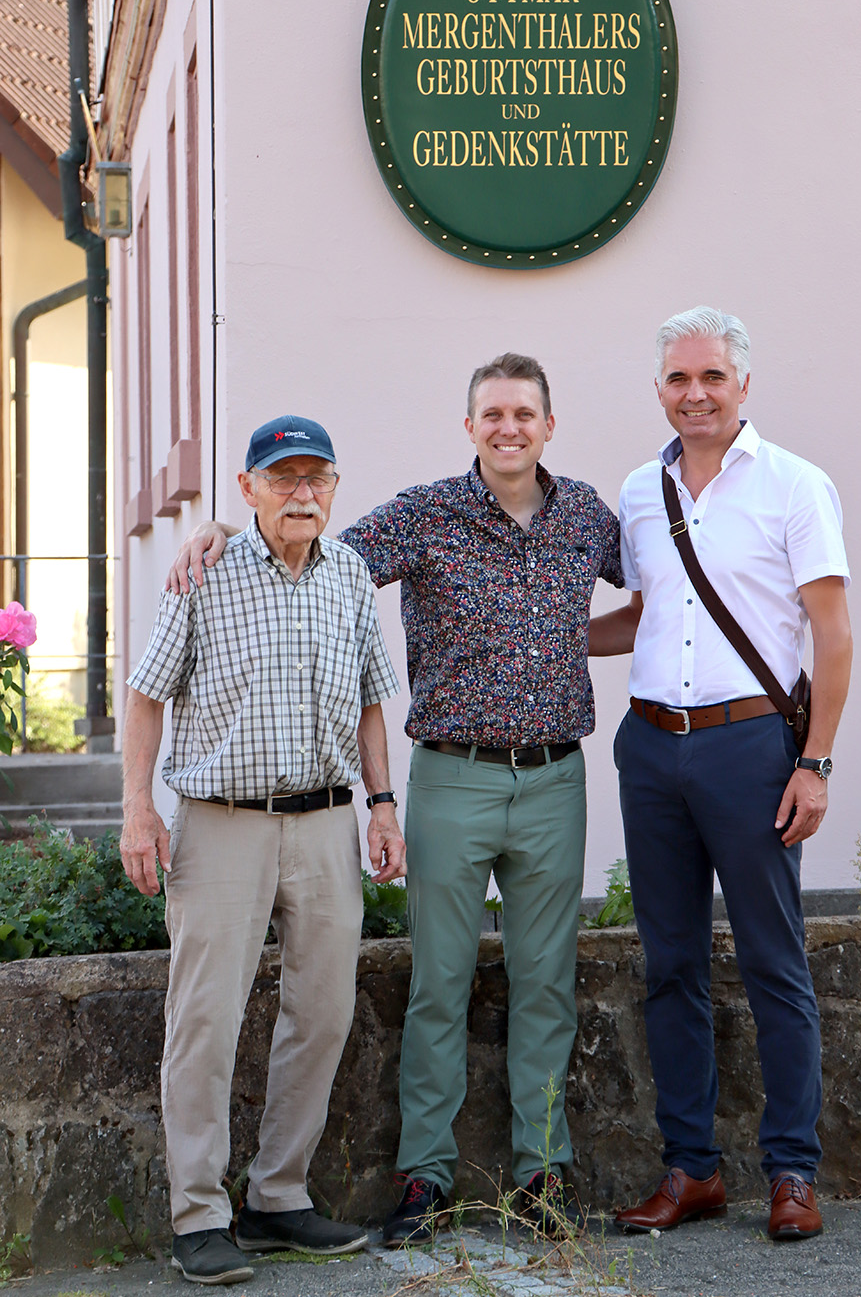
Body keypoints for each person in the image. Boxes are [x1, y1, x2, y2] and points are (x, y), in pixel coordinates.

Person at [168, 355, 624, 1244]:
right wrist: (225, 524)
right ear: (470, 427)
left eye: (524, 413)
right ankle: (425, 1181)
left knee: (546, 986)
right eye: (492, 413)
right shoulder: (425, 514)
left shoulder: (589, 519)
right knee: (439, 984)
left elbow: (659, 597)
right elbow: (310, 544)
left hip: (556, 778)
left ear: (548, 424)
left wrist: (572, 636)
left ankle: (541, 1174)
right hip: (451, 773)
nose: (508, 427)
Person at [121, 415, 405, 1284]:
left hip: (324, 823)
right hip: (220, 824)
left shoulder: (351, 574)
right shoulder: (204, 572)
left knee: (322, 1013)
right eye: (283, 478)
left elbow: (368, 702)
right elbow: (144, 698)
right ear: (246, 491)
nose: (301, 493)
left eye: (316, 477)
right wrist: (138, 810)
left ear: (334, 489)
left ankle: (279, 1199)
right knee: (203, 1020)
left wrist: (383, 805)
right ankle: (198, 1217)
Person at [590, 307, 852, 1241]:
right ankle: (691, 1170)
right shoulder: (637, 489)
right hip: (652, 746)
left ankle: (792, 1173)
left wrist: (813, 763)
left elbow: (831, 632)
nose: (693, 394)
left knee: (775, 961)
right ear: (658, 388)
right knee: (670, 966)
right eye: (676, 379)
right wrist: (551, 642)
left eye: (710, 377)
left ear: (744, 384)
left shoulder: (795, 485)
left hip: (752, 749)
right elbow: (647, 613)